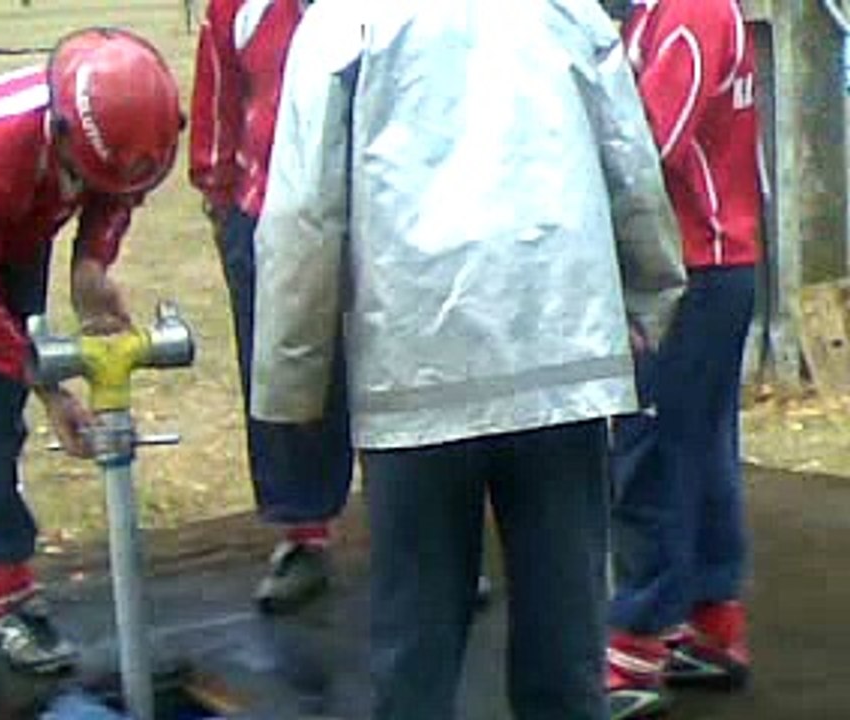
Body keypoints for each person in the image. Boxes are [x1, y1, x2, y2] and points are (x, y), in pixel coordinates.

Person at [250, 0, 686, 717]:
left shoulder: (344, 22)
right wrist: (651, 296)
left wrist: (293, 381)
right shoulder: (568, 10)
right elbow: (630, 165)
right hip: (559, 356)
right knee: (565, 641)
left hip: (416, 367)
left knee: (415, 645)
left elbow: (304, 211)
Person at [0, 26, 184, 673]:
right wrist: (50, 389)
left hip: (22, 225)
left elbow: (118, 192)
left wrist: (90, 263)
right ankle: (13, 598)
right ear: (61, 134)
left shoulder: (115, 123)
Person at [601, 1, 761, 718]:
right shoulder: (666, 11)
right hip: (711, 263)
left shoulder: (690, 13)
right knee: (701, 446)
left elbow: (643, 147)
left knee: (653, 451)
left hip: (689, 267)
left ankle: (634, 647)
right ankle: (712, 623)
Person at [188, 0, 355, 613]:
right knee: (286, 375)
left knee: (403, 370)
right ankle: (302, 534)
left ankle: (430, 540)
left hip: (381, 207)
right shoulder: (237, 7)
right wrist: (220, 197)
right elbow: (217, 102)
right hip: (271, 212)